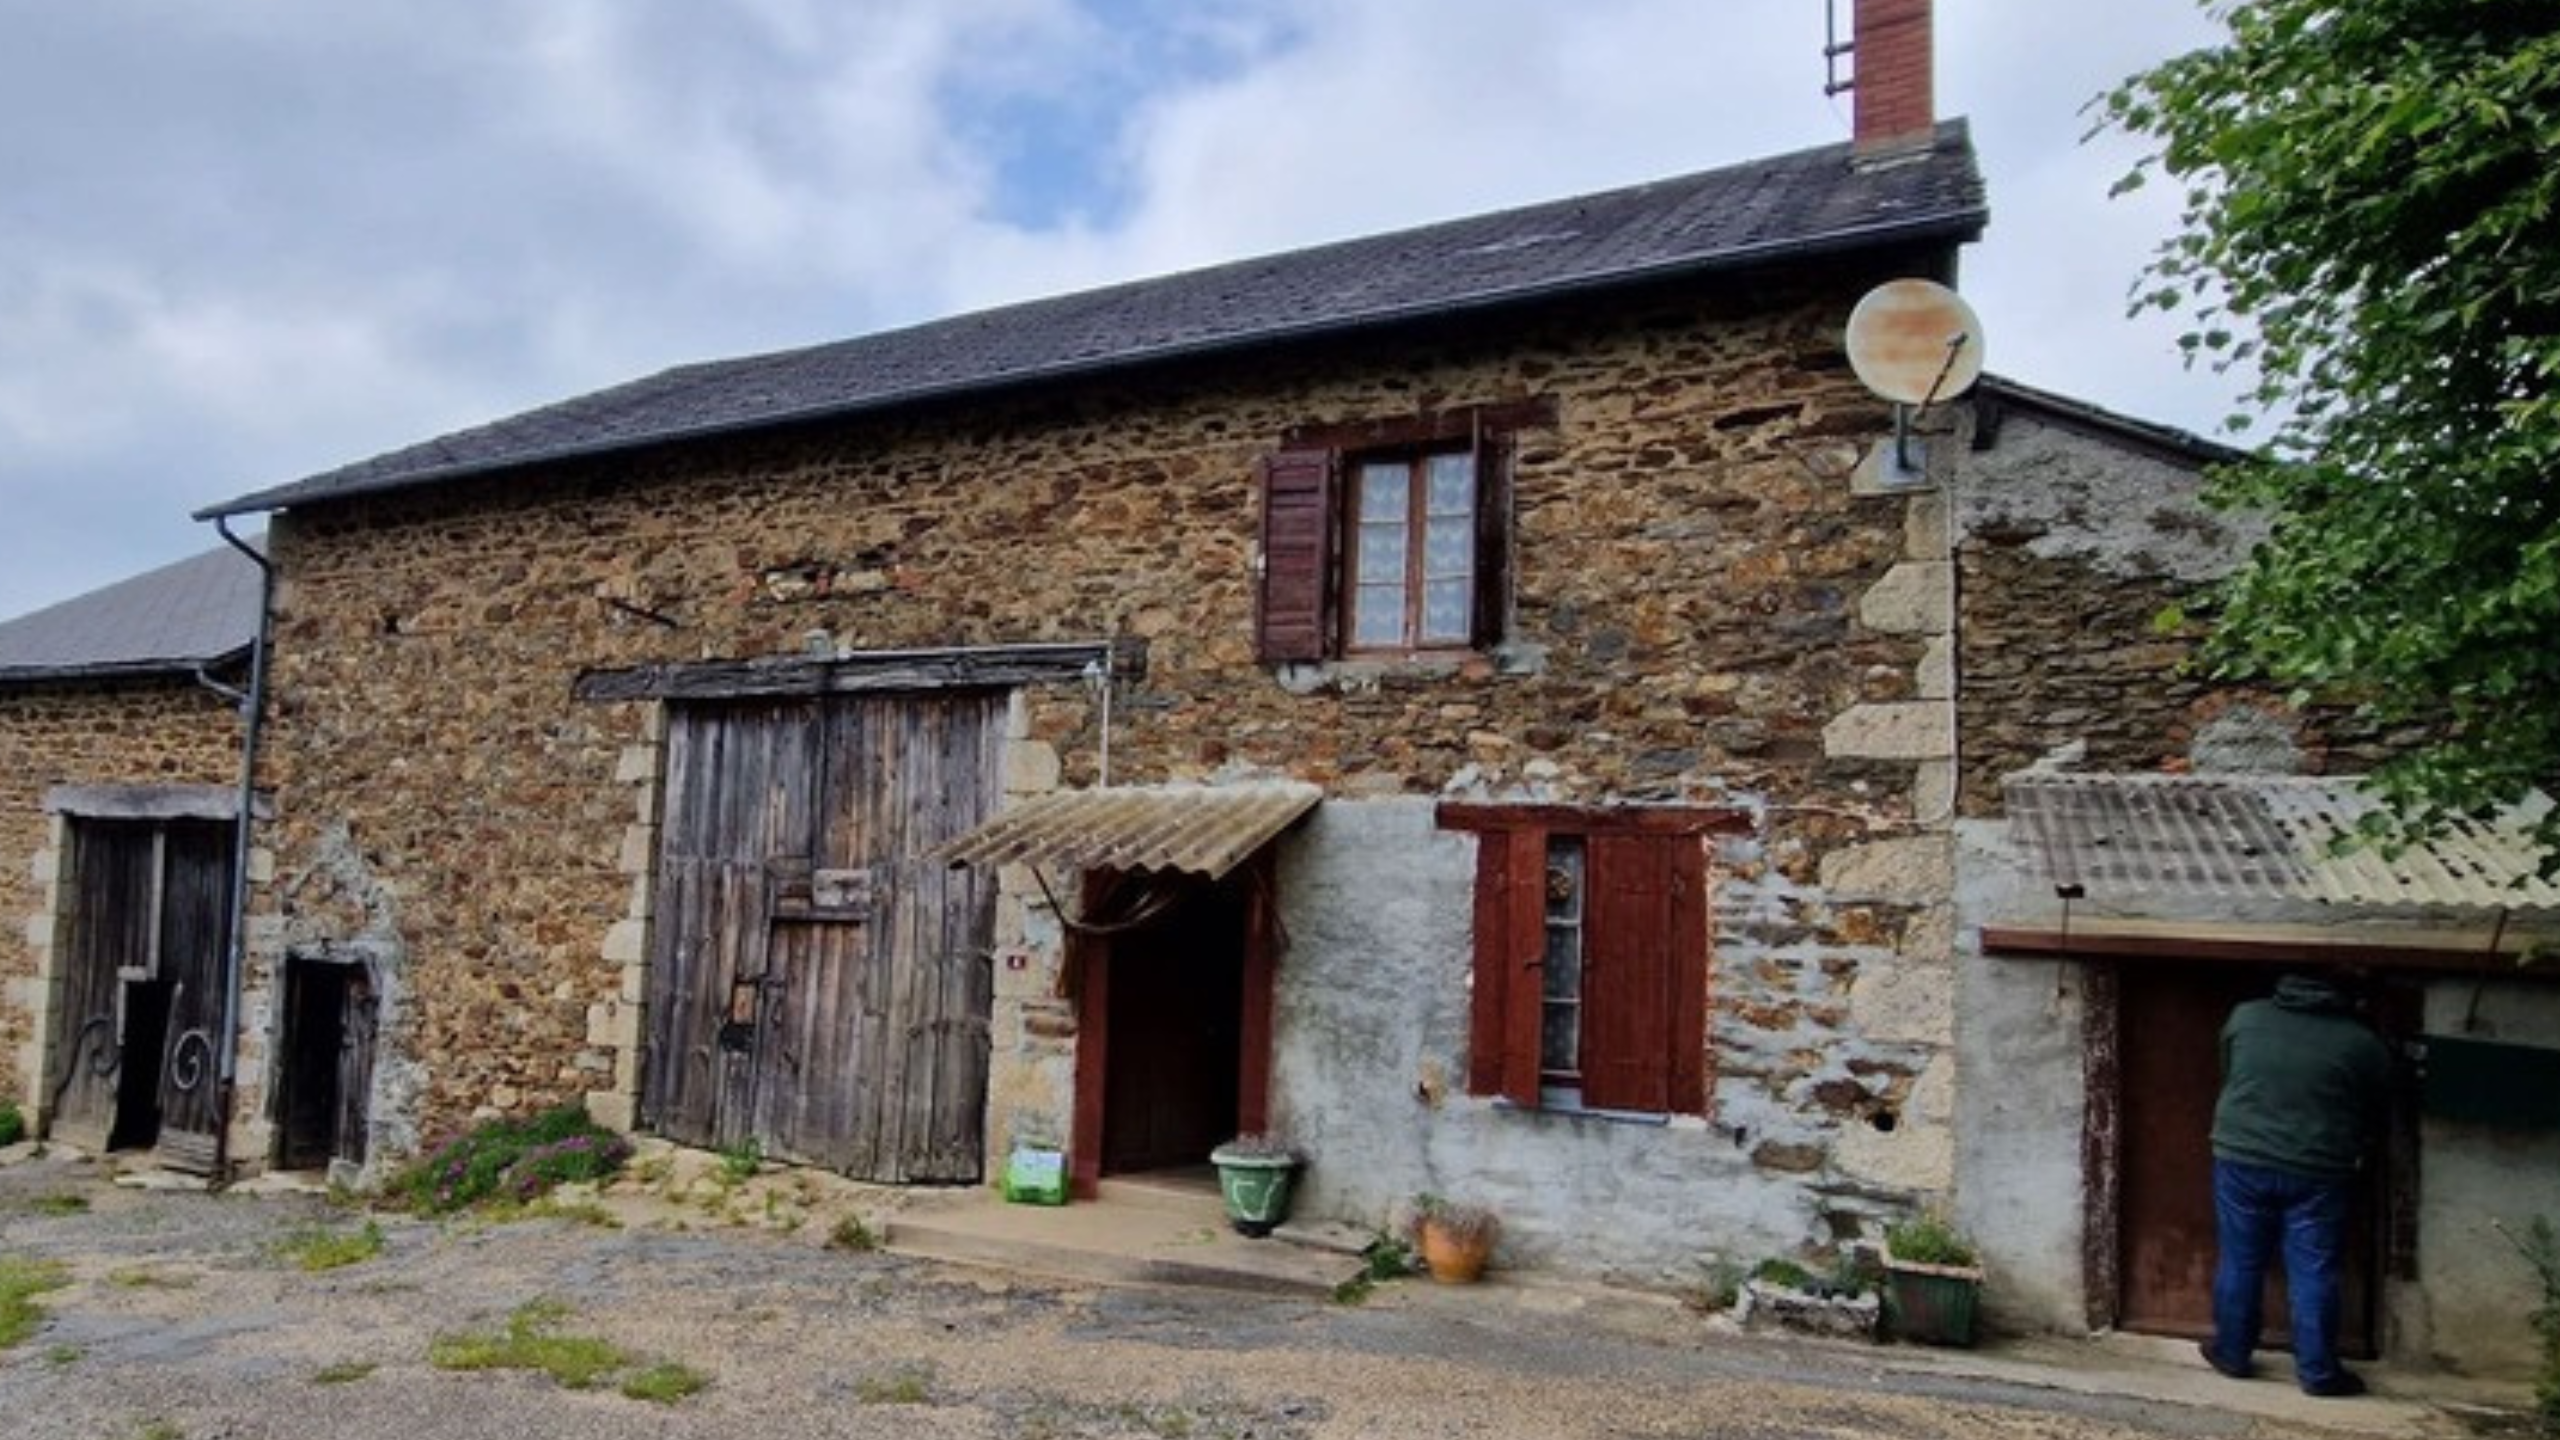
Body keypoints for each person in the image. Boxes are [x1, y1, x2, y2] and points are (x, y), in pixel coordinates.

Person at [2199, 972, 2392, 1397]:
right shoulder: (2361, 1043)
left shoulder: (2245, 1017)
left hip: (2242, 1157)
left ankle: (2231, 1353)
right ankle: (2319, 1372)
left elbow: (2229, 1073)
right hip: (2319, 1168)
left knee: (2240, 1260)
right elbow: (2377, 1107)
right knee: (2314, 1270)